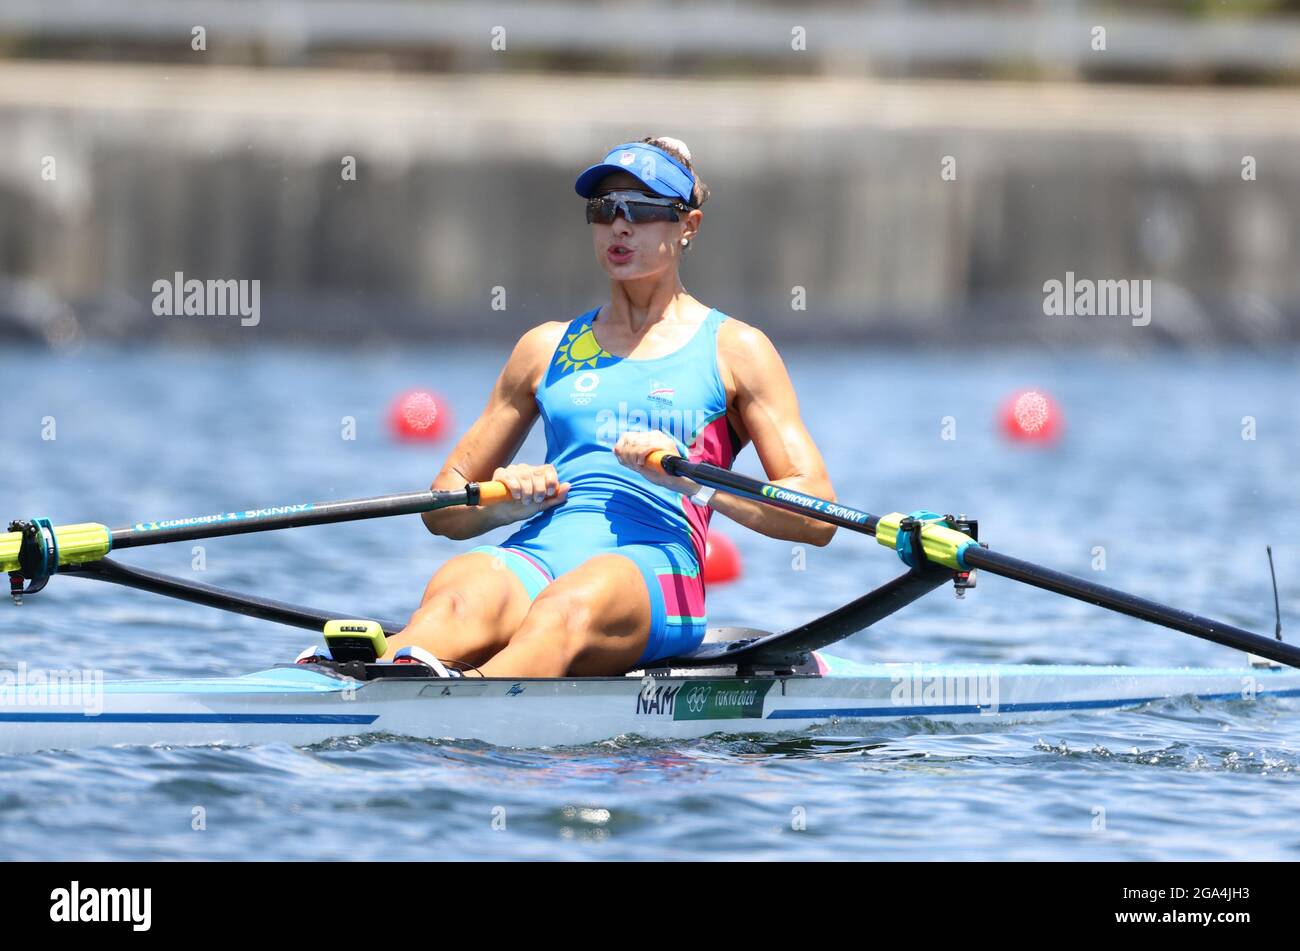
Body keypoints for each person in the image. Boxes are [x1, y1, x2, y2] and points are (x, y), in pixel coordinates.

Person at [383, 137, 835, 677]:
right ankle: (361, 684)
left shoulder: (736, 350)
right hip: (539, 551)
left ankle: (460, 707)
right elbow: (442, 508)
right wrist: (507, 505)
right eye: (604, 211)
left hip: (655, 567)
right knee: (455, 596)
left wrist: (697, 481)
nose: (619, 227)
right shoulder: (546, 347)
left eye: (641, 211)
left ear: (688, 225)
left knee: (566, 609)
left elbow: (819, 515)